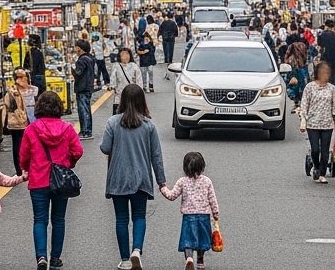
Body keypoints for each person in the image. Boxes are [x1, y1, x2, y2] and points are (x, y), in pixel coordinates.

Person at [100, 85, 166, 270]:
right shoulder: (148, 125)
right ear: (142, 101)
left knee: (121, 218)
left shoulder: (113, 122)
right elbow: (156, 155)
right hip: (141, 176)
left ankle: (125, 259)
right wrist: (161, 180)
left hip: (118, 178)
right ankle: (137, 249)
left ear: (122, 100)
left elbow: (105, 147)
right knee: (139, 216)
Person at [18, 91, 83, 270]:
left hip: (38, 179)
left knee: (40, 220)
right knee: (59, 219)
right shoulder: (67, 128)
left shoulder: (31, 129)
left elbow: (23, 155)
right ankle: (55, 257)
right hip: (60, 180)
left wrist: (26, 168)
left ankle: (41, 257)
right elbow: (78, 151)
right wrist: (68, 162)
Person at [161, 152, 221, 270]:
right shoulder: (207, 181)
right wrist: (216, 213)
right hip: (204, 216)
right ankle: (200, 262)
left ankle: (189, 258)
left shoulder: (182, 181)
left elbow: (172, 195)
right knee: (202, 239)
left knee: (187, 239)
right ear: (202, 166)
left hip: (188, 217)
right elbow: (212, 198)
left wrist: (163, 188)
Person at [298, 60, 335, 183]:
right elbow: (304, 104)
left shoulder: (331, 88)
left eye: (327, 72)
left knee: (325, 150)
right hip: (313, 123)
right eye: (323, 72)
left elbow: (334, 107)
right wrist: (303, 121)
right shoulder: (310, 87)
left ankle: (322, 173)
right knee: (315, 149)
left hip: (327, 123)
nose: (326, 75)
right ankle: (316, 166)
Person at [5, 69, 39, 176]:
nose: (24, 79)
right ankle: (19, 170)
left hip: (32, 120)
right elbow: (7, 105)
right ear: (16, 79)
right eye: (21, 77)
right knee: (18, 145)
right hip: (17, 122)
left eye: (25, 76)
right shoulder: (11, 92)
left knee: (33, 145)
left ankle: (33, 166)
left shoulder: (34, 90)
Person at [70, 39, 97, 140]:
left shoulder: (81, 60)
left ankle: (85, 131)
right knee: (87, 109)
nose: (75, 49)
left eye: (76, 47)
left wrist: (72, 71)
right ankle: (86, 130)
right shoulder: (90, 58)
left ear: (80, 49)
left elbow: (78, 73)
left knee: (83, 110)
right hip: (88, 86)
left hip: (82, 87)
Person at [285, 38, 310, 105]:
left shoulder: (291, 48)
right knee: (302, 82)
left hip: (292, 68)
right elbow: (305, 57)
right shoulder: (303, 47)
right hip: (301, 68)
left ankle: (295, 96)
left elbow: (286, 57)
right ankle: (301, 97)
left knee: (293, 83)